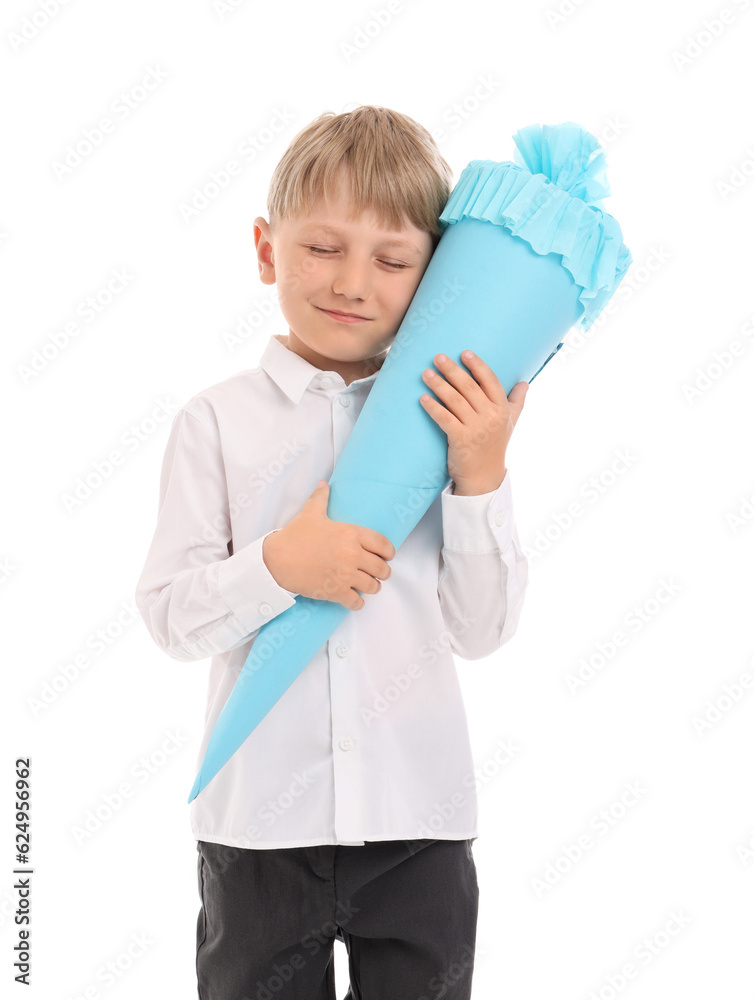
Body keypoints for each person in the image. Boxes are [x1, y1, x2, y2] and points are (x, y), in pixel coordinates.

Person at [135, 104, 530, 1000]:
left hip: (418, 821)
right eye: (323, 248)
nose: (354, 281)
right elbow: (169, 616)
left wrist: (482, 478)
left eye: (393, 260)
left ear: (434, 281)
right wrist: (279, 566)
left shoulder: (456, 423)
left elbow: (484, 630)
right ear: (268, 249)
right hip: (256, 831)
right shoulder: (216, 421)